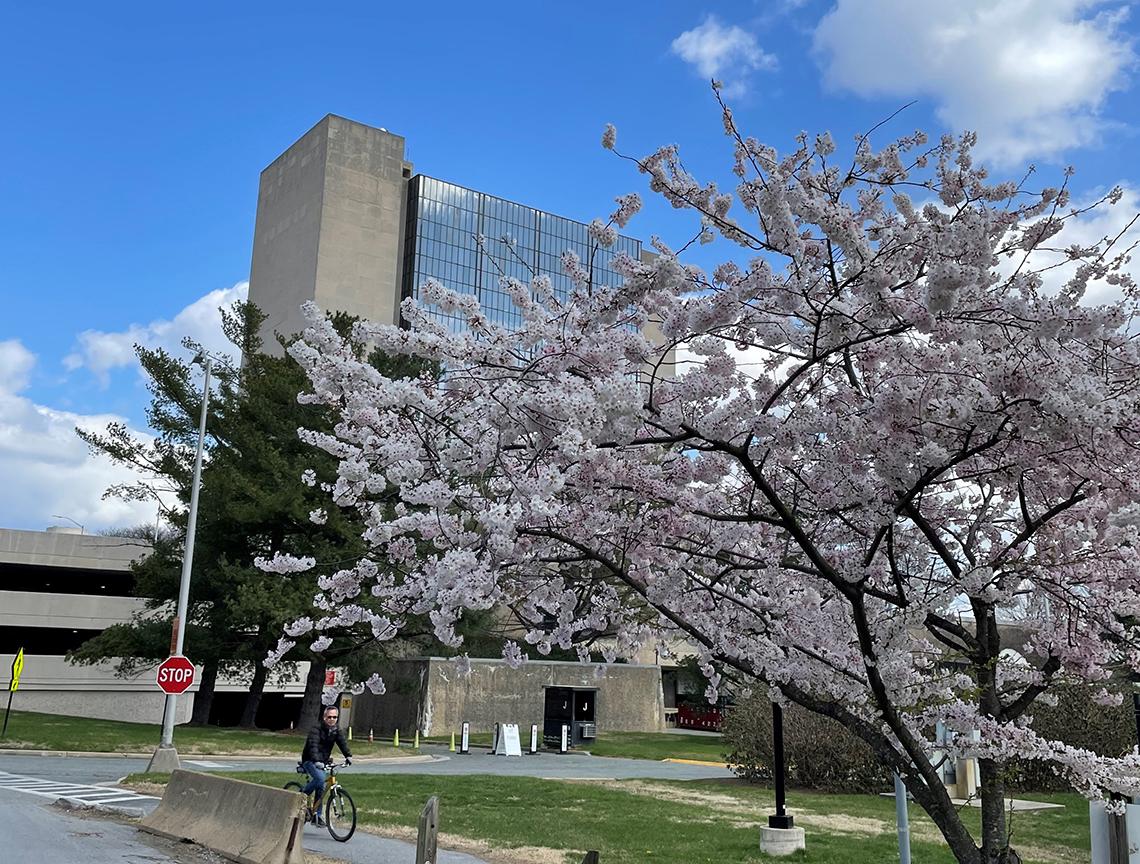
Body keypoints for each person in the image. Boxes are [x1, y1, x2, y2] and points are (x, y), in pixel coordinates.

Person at [300, 704, 352, 823]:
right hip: (310, 760)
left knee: (322, 786)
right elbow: (313, 746)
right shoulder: (316, 729)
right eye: (329, 717)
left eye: (334, 717)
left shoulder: (336, 730)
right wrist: (317, 760)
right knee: (320, 779)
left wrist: (348, 756)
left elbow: (342, 743)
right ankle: (300, 795)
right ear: (324, 717)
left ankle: (317, 815)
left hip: (323, 761)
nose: (332, 719)